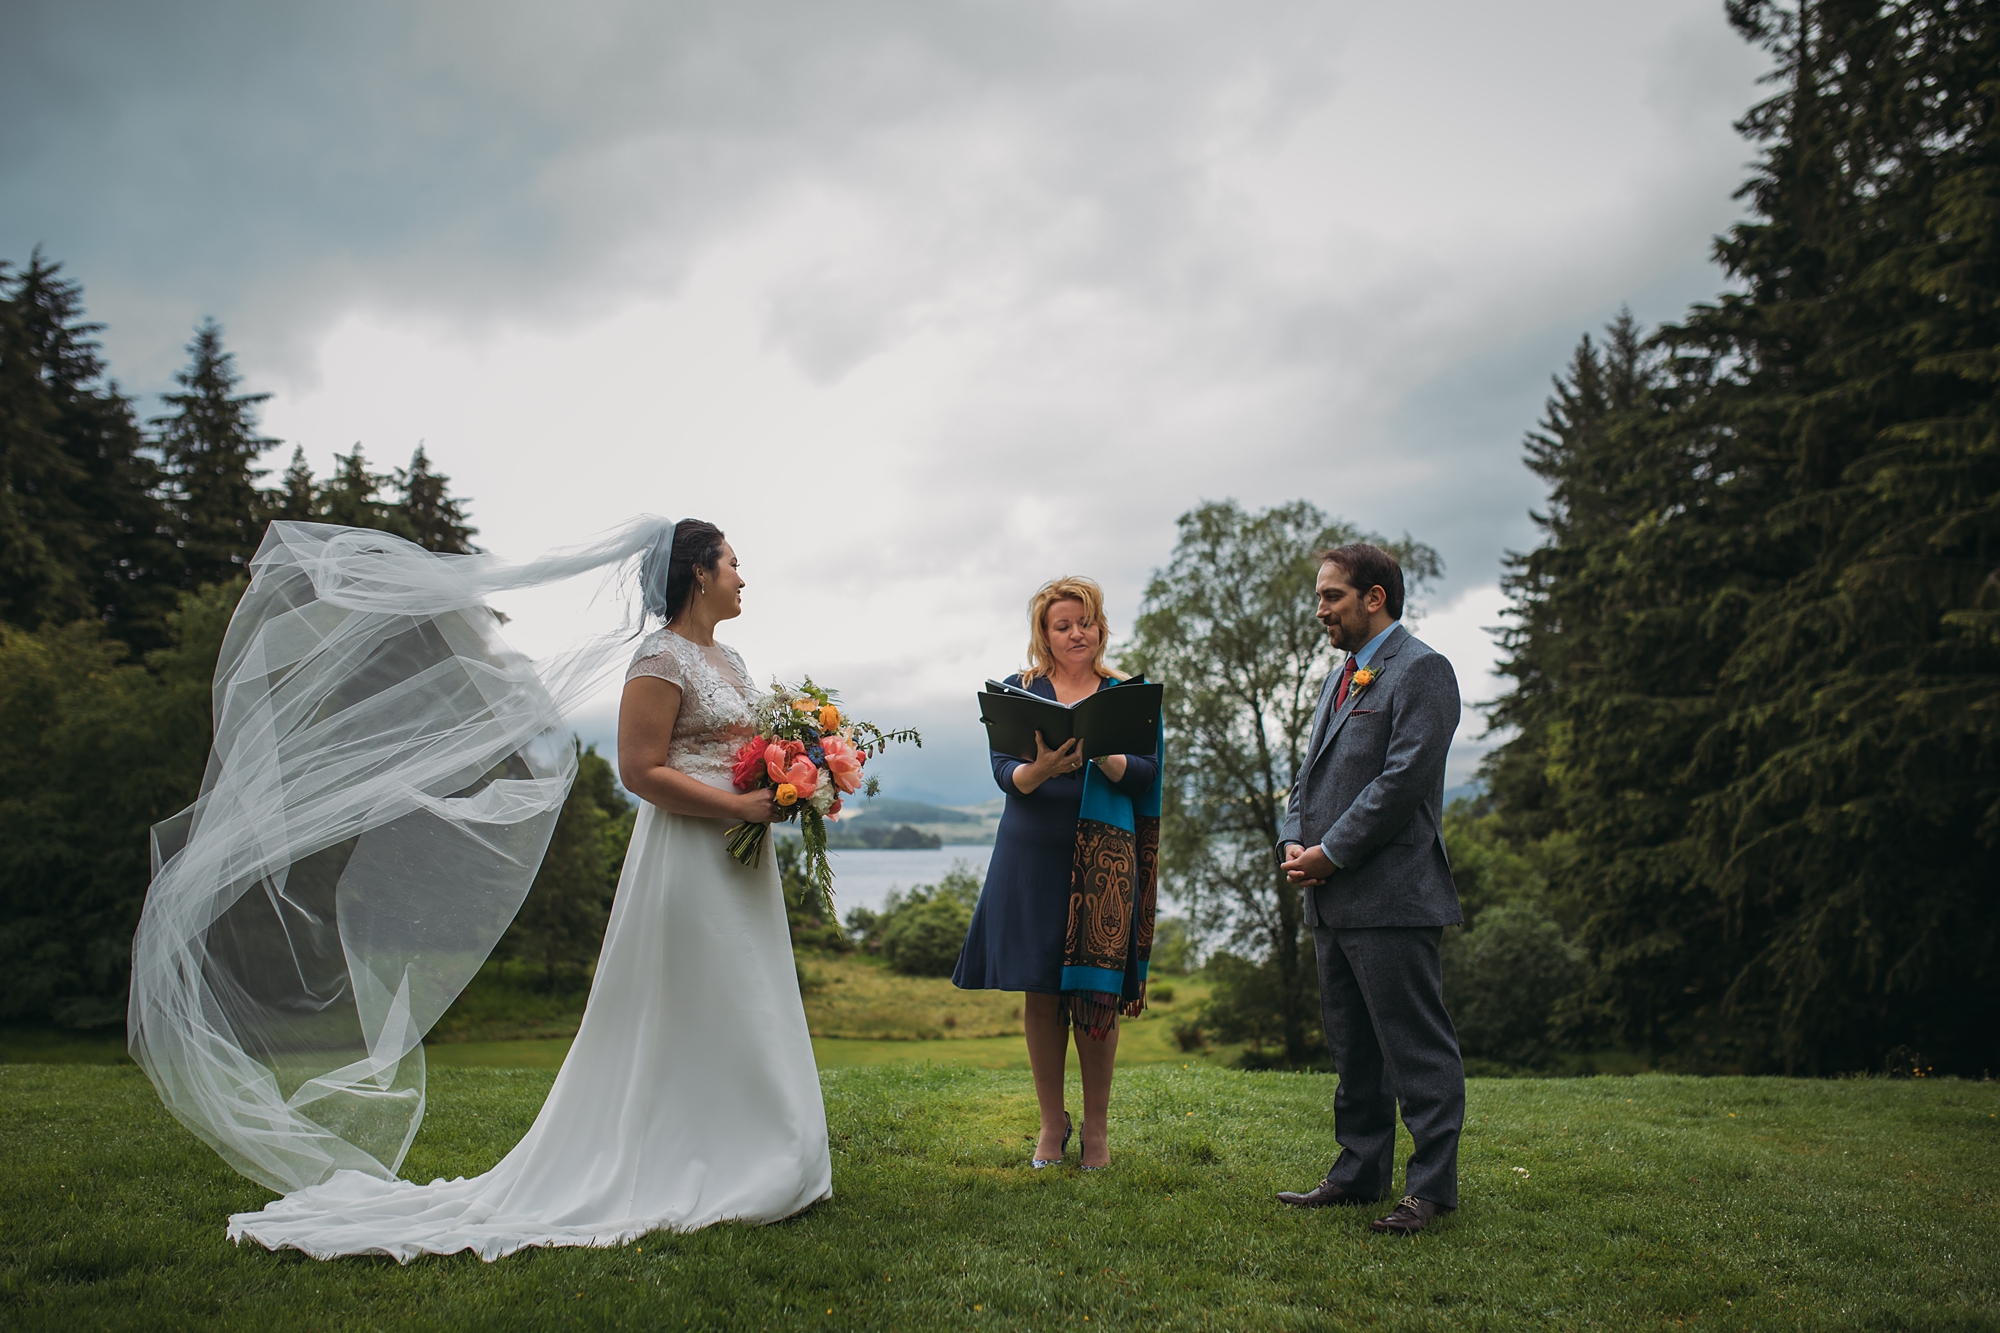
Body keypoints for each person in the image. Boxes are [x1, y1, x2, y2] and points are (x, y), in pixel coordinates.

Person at [224, 520, 831, 1260]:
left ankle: (765, 1147)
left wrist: (790, 778)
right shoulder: (660, 656)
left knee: (748, 992)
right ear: (700, 573)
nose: (744, 576)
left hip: (741, 858)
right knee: (695, 994)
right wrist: (740, 805)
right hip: (686, 854)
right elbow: (638, 770)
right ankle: (696, 1160)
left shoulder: (730, 658)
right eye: (736, 562)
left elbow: (739, 749)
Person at [1274, 542, 1464, 1235]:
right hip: (1332, 900)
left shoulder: (1424, 671)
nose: (1320, 608)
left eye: (1331, 596)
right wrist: (1296, 838)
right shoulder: (1339, 677)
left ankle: (1431, 1189)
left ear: (1374, 596)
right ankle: (1358, 1172)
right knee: (1354, 1050)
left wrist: (1333, 851)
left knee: (1416, 1049)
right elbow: (1307, 777)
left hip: (1393, 897)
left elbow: (1402, 781)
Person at [953, 576, 1161, 1171]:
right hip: (1030, 855)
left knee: (1095, 996)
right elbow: (1004, 774)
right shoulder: (1020, 692)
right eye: (1062, 625)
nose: (1077, 633)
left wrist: (1102, 751)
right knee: (1040, 992)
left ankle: (1096, 1132)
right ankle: (1052, 1126)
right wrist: (1042, 767)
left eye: (1086, 622)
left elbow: (1147, 775)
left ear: (1101, 626)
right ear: (1043, 634)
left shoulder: (1128, 693)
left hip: (1104, 857)